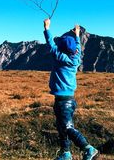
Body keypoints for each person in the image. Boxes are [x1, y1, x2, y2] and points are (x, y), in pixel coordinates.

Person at [43, 18, 99, 160]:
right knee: (62, 127)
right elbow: (78, 48)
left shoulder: (60, 58)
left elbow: (51, 45)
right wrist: (77, 35)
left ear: (61, 48)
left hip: (63, 102)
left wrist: (47, 28)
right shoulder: (76, 59)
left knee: (67, 128)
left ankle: (88, 148)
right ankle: (65, 153)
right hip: (69, 99)